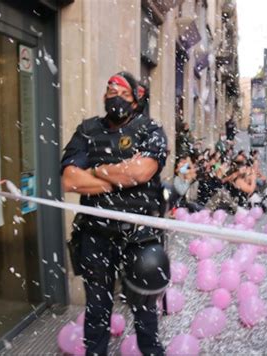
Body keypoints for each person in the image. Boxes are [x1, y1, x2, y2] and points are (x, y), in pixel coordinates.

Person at [61, 72, 168, 355]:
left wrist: (95, 171)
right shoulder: (87, 131)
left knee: (145, 316)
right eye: (109, 92)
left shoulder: (151, 130)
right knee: (96, 313)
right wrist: (121, 175)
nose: (114, 97)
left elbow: (142, 170)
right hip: (96, 236)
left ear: (136, 100)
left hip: (139, 238)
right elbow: (70, 180)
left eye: (122, 93)